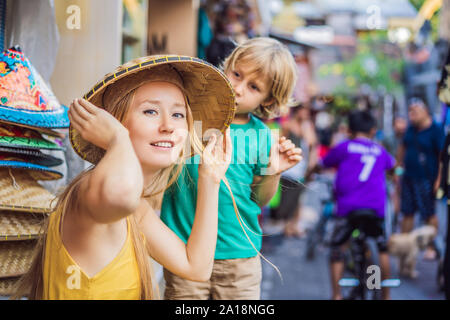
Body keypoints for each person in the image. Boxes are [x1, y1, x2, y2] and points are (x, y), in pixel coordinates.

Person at [13, 56, 234, 300]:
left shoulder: (137, 209)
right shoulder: (90, 190)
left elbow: (196, 267)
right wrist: (118, 140)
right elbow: (121, 195)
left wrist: (210, 180)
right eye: (150, 111)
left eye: (178, 115)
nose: (168, 126)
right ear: (114, 122)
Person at [161, 37, 302, 300]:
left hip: (240, 257)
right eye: (236, 74)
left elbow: (259, 200)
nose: (237, 87)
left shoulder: (262, 136)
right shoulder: (189, 118)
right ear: (226, 66)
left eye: (253, 86)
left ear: (268, 100)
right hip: (183, 250)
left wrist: (274, 171)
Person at [321, 110, 395, 300]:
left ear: (350, 130)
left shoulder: (344, 147)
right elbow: (393, 168)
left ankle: (336, 295)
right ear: (372, 130)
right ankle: (385, 296)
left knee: (338, 247)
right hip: (375, 207)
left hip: (348, 208)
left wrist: (311, 172)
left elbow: (323, 163)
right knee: (381, 248)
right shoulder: (380, 150)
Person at [397, 98, 445, 259]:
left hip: (427, 178)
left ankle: (431, 247)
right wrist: (398, 170)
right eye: (410, 112)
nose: (411, 115)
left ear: (425, 111)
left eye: (415, 111)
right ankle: (404, 249)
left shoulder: (436, 130)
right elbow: (402, 148)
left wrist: (440, 179)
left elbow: (442, 156)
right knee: (407, 213)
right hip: (409, 177)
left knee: (428, 214)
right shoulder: (411, 129)